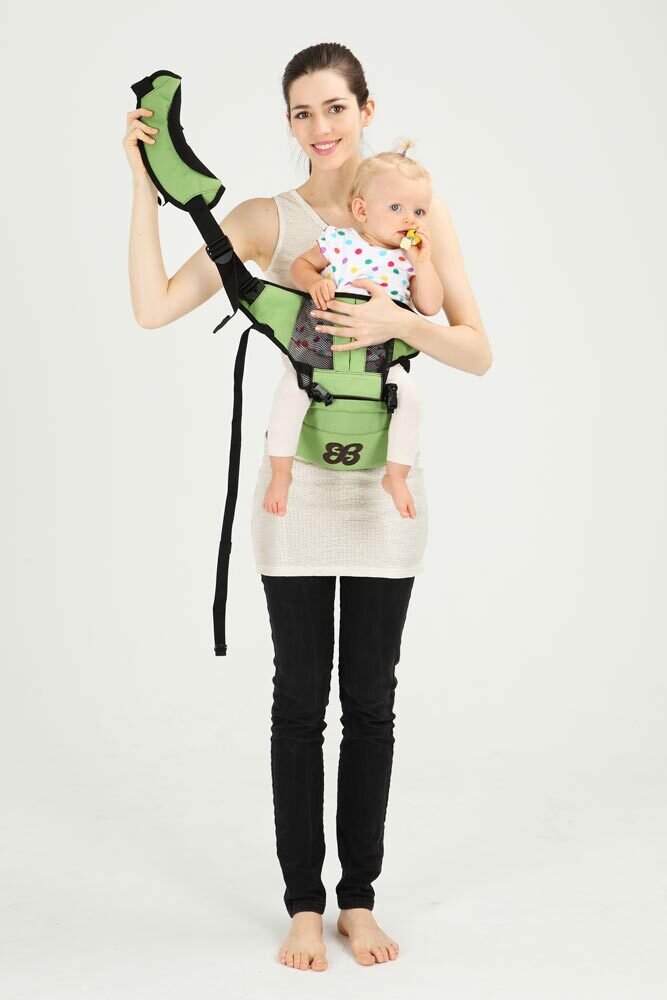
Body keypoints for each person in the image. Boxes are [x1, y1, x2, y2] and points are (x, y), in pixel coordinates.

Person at [124, 41, 492, 973]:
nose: (319, 128)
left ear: (366, 108)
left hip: (385, 493)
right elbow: (153, 307)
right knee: (298, 701)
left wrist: (395, 322)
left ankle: (357, 900)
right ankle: (301, 904)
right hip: (294, 494)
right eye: (301, 112)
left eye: (334, 107)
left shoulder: (413, 209)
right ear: (289, 122)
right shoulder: (266, 219)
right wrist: (141, 188)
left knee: (370, 702)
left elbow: (475, 350)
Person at [262, 139, 443, 520]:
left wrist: (424, 264)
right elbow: (300, 267)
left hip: (379, 357)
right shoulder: (340, 240)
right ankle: (281, 473)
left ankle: (396, 476)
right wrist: (315, 282)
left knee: (411, 399)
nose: (410, 219)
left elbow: (429, 306)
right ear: (361, 210)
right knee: (291, 391)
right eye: (396, 208)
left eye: (419, 211)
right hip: (323, 346)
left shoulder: (408, 260)